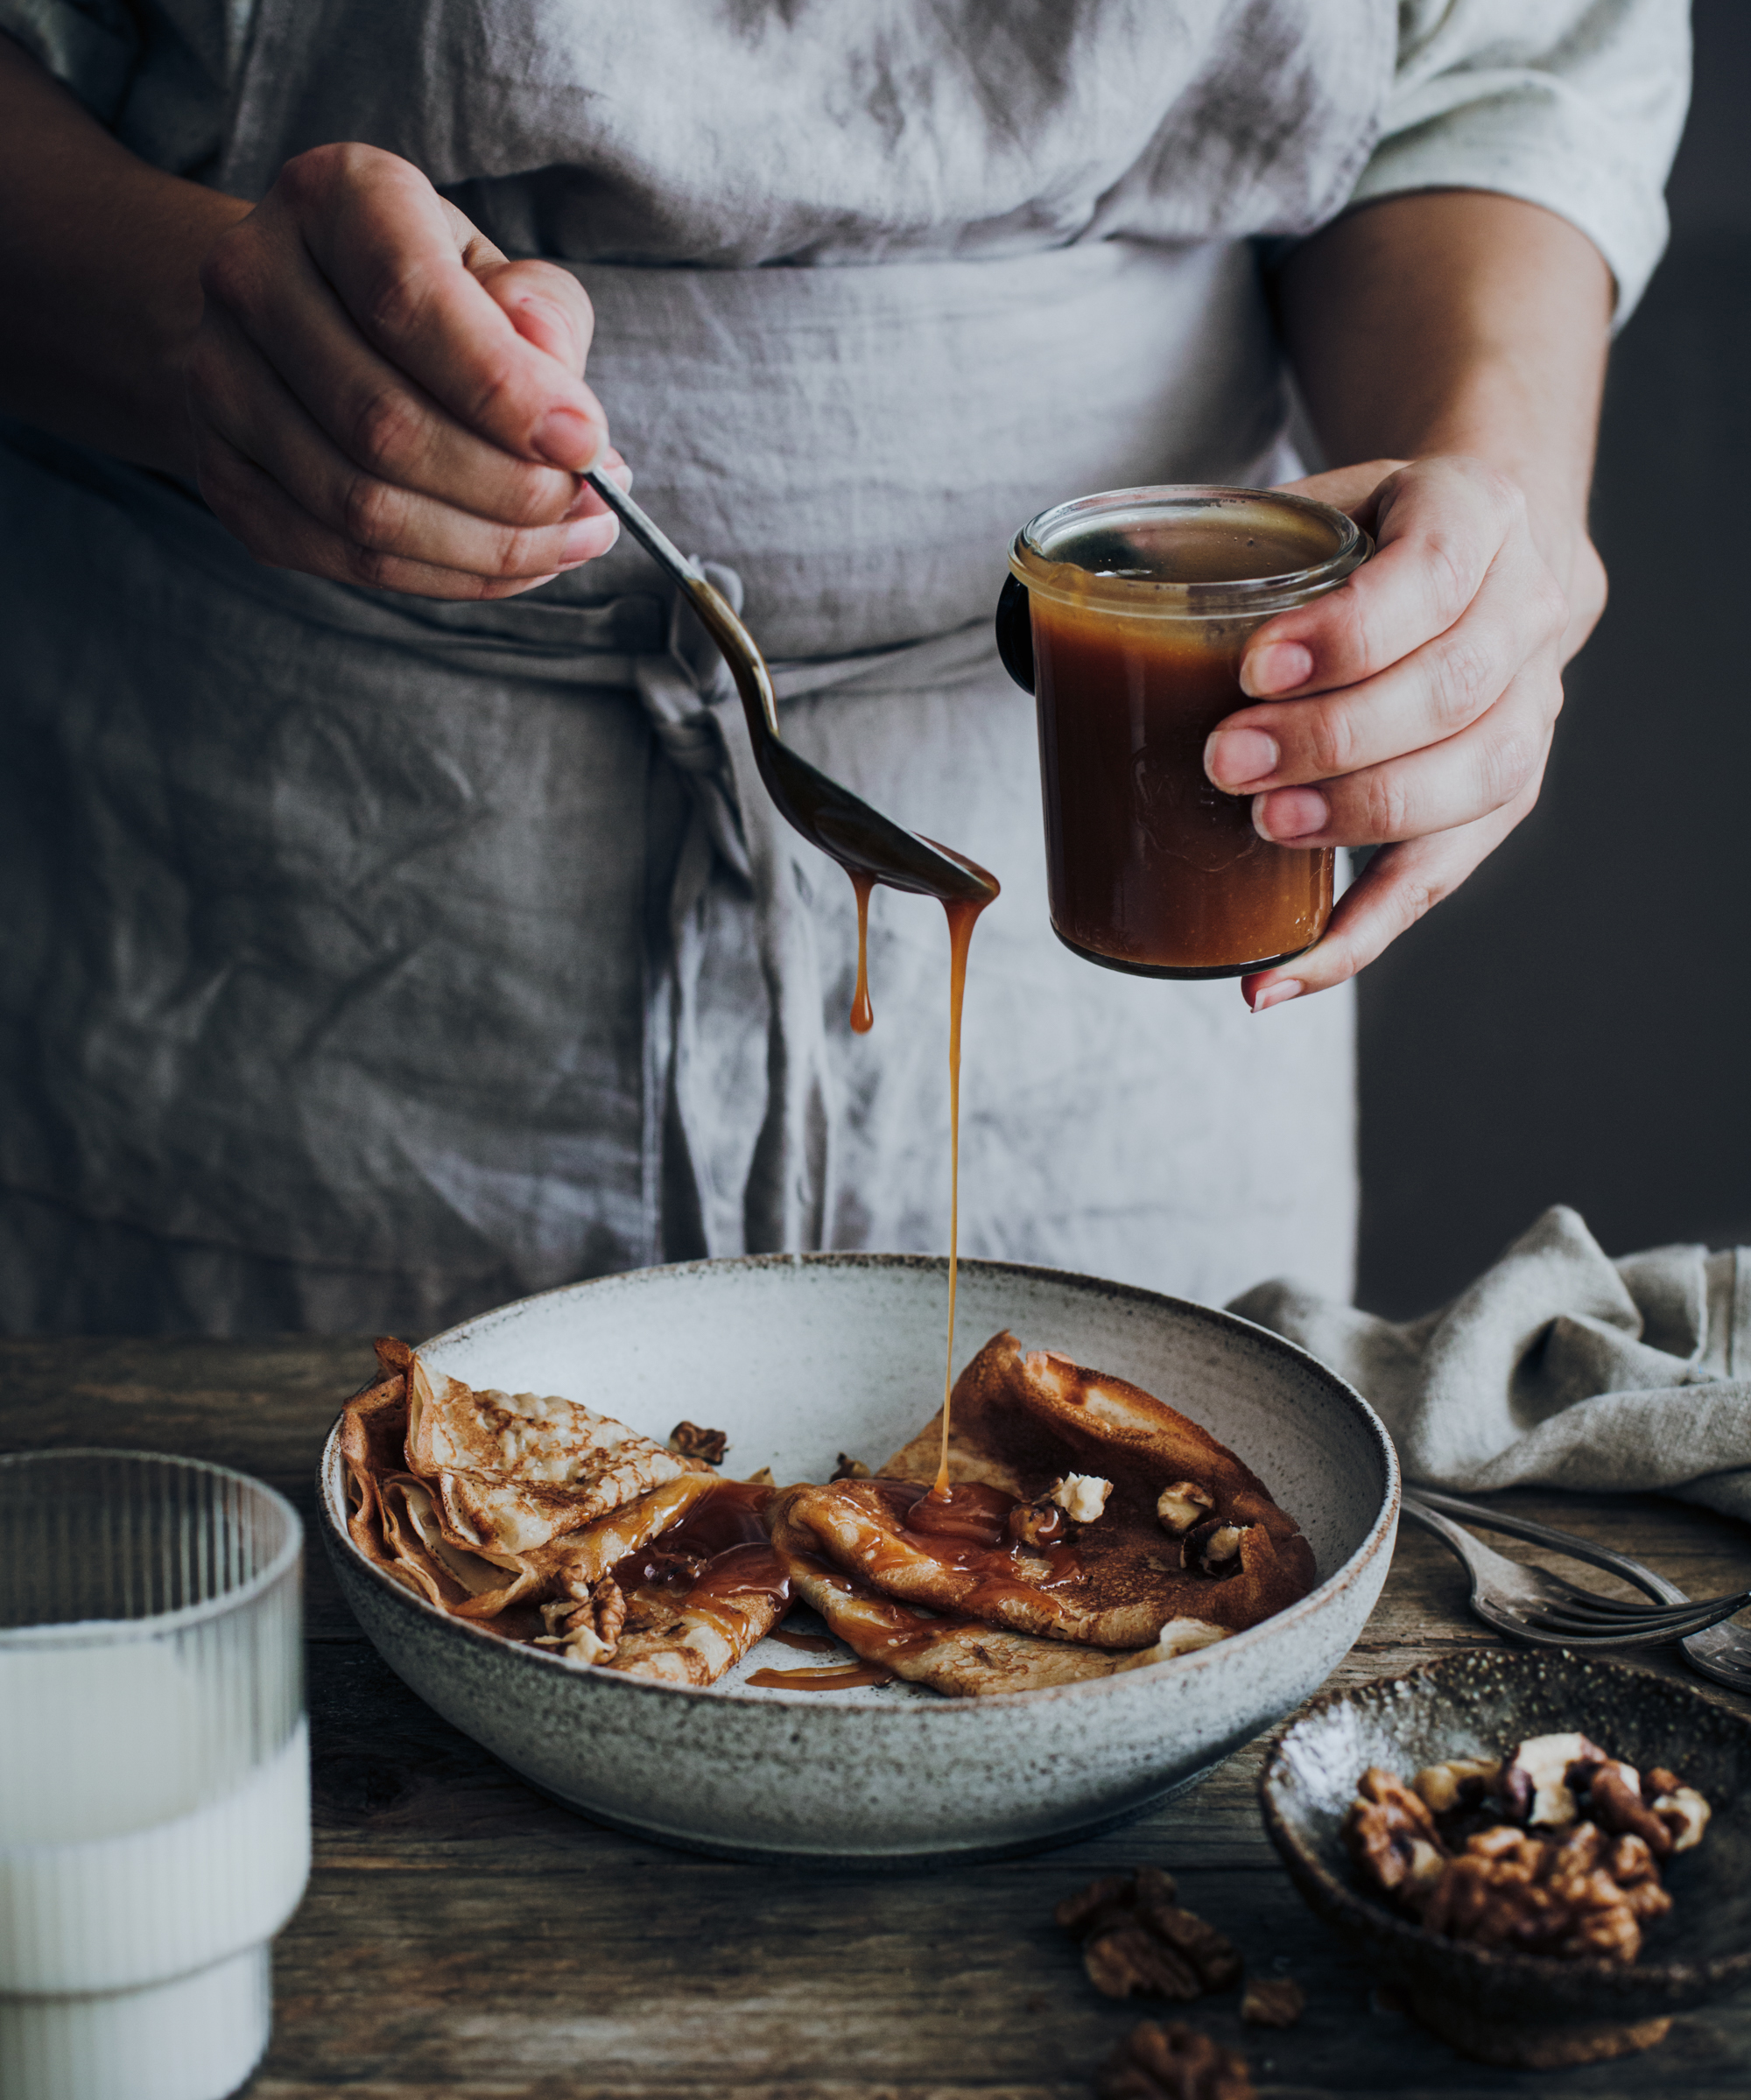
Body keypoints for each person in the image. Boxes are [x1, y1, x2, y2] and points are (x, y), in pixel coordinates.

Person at [0, 4, 1689, 1336]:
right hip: (297, 918)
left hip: (1109, 1019)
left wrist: (1491, 490)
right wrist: (189, 324)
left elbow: (1491, 69)